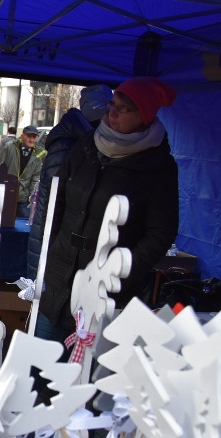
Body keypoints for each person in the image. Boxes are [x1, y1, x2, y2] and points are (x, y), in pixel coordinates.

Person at [36, 77, 179, 343]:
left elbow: (162, 231)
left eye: (123, 108)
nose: (112, 111)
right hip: (59, 282)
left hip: (107, 293)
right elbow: (58, 202)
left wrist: (122, 270)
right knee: (38, 368)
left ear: (144, 116)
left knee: (86, 376)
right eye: (112, 103)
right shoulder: (88, 145)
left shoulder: (158, 167)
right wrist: (52, 245)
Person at [26, 85, 113, 279]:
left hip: (61, 241)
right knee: (47, 300)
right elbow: (59, 201)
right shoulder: (69, 146)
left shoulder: (85, 143)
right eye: (109, 107)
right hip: (55, 242)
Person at [0, 124, 45, 219]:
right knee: (2, 222)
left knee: (23, 225)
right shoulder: (10, 147)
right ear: (22, 136)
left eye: (34, 137)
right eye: (29, 136)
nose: (31, 140)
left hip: (23, 199)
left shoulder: (38, 154)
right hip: (6, 195)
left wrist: (31, 198)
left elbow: (35, 178)